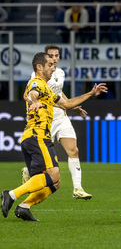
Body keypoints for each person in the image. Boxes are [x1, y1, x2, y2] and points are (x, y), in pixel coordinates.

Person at [1, 52, 107, 221]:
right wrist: (33, 101)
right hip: (38, 137)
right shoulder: (36, 83)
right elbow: (31, 94)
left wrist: (90, 94)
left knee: (54, 184)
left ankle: (24, 207)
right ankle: (11, 195)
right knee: (54, 176)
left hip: (32, 138)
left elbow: (67, 103)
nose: (53, 68)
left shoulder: (47, 89)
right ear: (39, 67)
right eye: (49, 65)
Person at [22, 44, 92, 200]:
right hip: (46, 119)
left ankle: (78, 189)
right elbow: (28, 93)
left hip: (61, 116)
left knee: (73, 150)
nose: (54, 59)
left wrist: (74, 107)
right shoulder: (36, 75)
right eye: (51, 56)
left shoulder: (60, 73)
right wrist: (32, 101)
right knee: (44, 166)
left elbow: (58, 92)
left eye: (57, 55)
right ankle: (29, 172)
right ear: (45, 58)